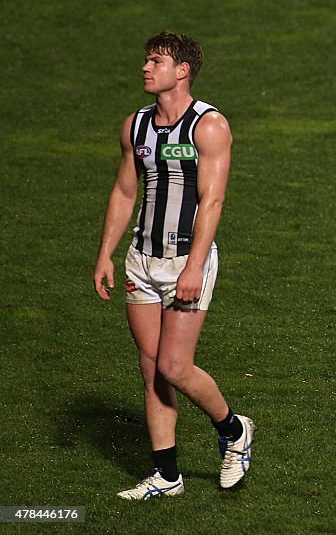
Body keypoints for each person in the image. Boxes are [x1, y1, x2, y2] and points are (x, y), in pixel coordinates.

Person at [93, 31, 254, 499]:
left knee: (175, 366)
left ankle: (233, 430)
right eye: (146, 60)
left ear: (182, 71)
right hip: (141, 261)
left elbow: (213, 199)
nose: (146, 68)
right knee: (150, 368)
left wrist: (194, 267)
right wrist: (106, 251)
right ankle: (166, 476)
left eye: (156, 61)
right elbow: (125, 191)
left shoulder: (208, 126)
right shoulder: (135, 126)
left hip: (187, 259)